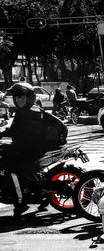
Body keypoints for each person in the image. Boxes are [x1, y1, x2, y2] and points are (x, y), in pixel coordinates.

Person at [0, 82, 67, 218]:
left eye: (21, 97)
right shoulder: (26, 110)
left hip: (34, 149)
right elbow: (16, 131)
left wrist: (6, 136)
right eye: (17, 97)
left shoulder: (30, 112)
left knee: (11, 169)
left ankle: (20, 202)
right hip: (31, 147)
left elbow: (22, 133)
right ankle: (36, 192)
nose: (18, 100)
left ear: (29, 97)